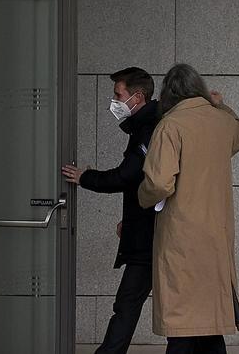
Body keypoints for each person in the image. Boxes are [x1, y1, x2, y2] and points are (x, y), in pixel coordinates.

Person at [137, 63, 239, 353]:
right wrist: (221, 105)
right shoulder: (222, 124)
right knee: (209, 325)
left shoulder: (170, 125)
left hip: (182, 238)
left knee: (183, 326)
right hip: (216, 238)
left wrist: (142, 196)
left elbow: (160, 183)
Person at [61, 67, 159, 354]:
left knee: (128, 303)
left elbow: (127, 176)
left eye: (119, 94)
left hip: (153, 236)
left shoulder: (150, 127)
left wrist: (85, 177)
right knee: (133, 303)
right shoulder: (148, 124)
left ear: (137, 97)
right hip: (149, 229)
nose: (113, 101)